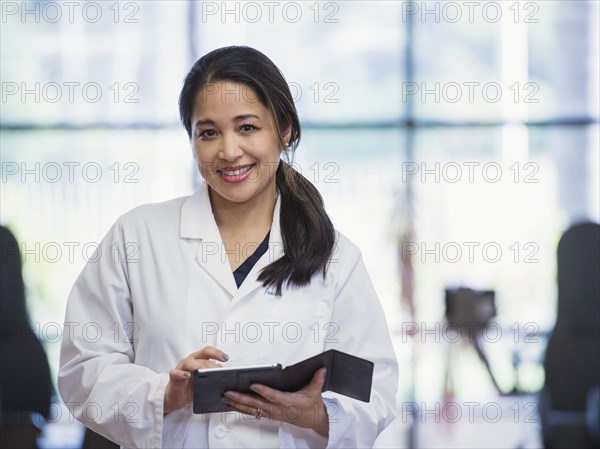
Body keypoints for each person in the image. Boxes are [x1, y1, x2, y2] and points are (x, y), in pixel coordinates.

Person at [58, 46, 398, 449]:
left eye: (248, 127)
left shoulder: (336, 258)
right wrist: (163, 394)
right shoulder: (137, 236)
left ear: (285, 129)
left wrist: (316, 414)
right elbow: (82, 368)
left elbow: (376, 389)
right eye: (209, 132)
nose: (229, 151)